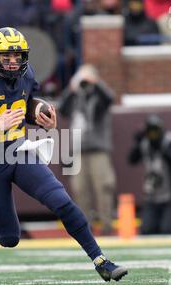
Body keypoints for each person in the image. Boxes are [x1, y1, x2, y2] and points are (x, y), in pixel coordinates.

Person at [0, 27, 128, 282]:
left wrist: (39, 113)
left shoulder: (27, 74)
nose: (12, 62)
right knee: (10, 237)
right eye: (6, 57)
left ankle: (101, 260)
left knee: (61, 201)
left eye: (17, 56)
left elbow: (25, 102)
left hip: (18, 150)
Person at [59, 64, 117, 235]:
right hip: (78, 150)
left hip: (98, 150)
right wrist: (71, 88)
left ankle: (107, 225)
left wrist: (95, 83)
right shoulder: (75, 97)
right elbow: (62, 108)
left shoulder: (99, 97)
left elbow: (109, 98)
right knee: (79, 190)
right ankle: (84, 228)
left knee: (104, 187)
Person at [128, 115, 171, 234]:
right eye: (150, 131)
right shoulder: (144, 144)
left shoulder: (169, 141)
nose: (153, 135)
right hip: (153, 196)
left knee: (168, 229)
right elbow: (131, 160)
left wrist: (162, 148)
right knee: (147, 229)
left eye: (155, 131)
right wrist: (136, 143)